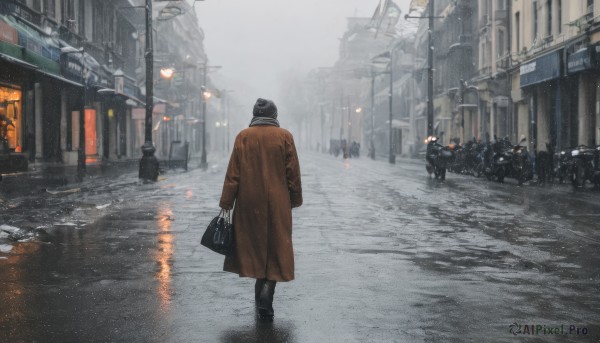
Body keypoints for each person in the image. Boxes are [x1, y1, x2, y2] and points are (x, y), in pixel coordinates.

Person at [219, 98, 303, 320]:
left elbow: (233, 173)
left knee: (255, 248)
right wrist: (294, 199)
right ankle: (267, 292)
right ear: (274, 115)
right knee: (276, 248)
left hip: (249, 201)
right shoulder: (284, 137)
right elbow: (292, 173)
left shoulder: (243, 137)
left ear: (254, 115)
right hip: (277, 201)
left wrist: (227, 202)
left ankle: (260, 295)